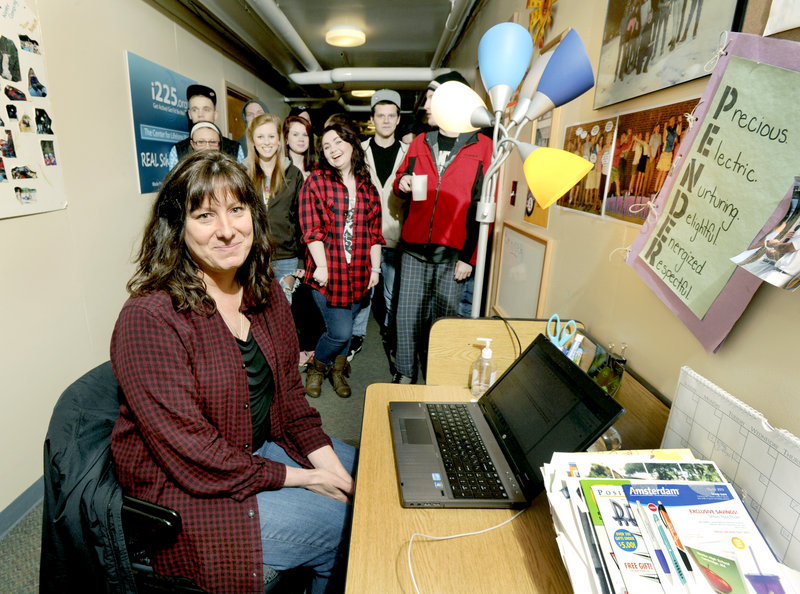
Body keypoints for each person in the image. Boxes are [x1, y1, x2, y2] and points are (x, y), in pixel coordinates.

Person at [110, 151, 356, 593]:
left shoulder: (264, 295)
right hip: (189, 488)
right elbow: (194, 455)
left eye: (237, 210)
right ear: (177, 228)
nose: (226, 230)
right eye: (205, 215)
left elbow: (293, 406)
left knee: (369, 479)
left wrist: (334, 472)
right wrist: (306, 477)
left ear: (253, 217)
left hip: (257, 447)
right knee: (348, 528)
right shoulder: (149, 317)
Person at [391, 71, 492, 384]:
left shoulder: (483, 147)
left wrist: (469, 257)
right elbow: (399, 182)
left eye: (433, 99)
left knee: (442, 322)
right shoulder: (421, 142)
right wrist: (402, 183)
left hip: (453, 255)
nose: (426, 106)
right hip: (413, 247)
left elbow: (482, 206)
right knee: (406, 317)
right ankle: (406, 373)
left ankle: (436, 377)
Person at [299, 123, 383, 398]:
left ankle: (336, 372)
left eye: (338, 142)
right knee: (340, 332)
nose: (333, 150)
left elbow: (374, 233)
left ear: (352, 144)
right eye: (326, 146)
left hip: (359, 272)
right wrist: (321, 266)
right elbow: (311, 230)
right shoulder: (316, 182)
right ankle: (317, 366)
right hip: (327, 272)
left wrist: (376, 268)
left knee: (344, 329)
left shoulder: (368, 189)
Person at [348, 89, 408, 363]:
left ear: (398, 119)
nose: (385, 121)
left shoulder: (410, 153)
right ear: (373, 119)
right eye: (380, 116)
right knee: (362, 292)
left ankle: (391, 334)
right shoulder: (358, 151)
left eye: (391, 116)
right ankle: (357, 336)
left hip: (397, 238)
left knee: (393, 294)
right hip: (365, 239)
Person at [246, 113, 305, 303]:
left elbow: (300, 220)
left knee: (284, 316)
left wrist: (303, 260)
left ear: (280, 140)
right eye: (260, 137)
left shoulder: (294, 174)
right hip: (250, 257)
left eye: (271, 136)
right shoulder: (241, 174)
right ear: (253, 141)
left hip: (285, 257)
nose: (266, 142)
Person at [167, 84, 243, 169]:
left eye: (206, 109)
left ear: (215, 114)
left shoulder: (235, 150)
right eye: (195, 110)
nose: (200, 115)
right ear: (189, 114)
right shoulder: (178, 151)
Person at [284, 115, 315, 180]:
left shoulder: (317, 170)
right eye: (295, 134)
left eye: (305, 135)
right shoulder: (279, 169)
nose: (301, 139)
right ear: (286, 139)